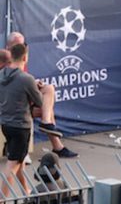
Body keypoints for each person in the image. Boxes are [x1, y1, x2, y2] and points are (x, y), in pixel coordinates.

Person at [5, 32, 77, 160]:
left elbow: (22, 82)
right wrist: (32, 84)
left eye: (23, 45)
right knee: (46, 104)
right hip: (11, 107)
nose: (22, 49)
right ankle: (51, 136)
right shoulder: (6, 62)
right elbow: (14, 85)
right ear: (8, 47)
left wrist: (34, 83)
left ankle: (51, 134)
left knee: (48, 101)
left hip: (20, 101)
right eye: (18, 46)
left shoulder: (19, 62)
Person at [0, 43, 42, 197]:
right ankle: (2, 200)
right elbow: (40, 102)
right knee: (12, 165)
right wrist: (38, 87)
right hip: (21, 126)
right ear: (25, 57)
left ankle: (26, 191)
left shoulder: (2, 75)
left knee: (19, 162)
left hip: (6, 124)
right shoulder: (27, 79)